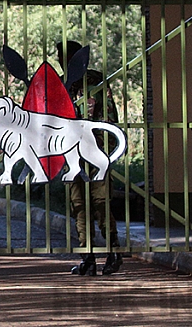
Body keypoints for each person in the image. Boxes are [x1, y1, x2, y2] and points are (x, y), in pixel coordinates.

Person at [67, 63, 123, 276]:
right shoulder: (69, 83)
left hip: (89, 150)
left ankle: (104, 254)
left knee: (93, 203)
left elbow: (108, 118)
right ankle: (94, 256)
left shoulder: (91, 82)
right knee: (84, 204)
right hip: (83, 151)